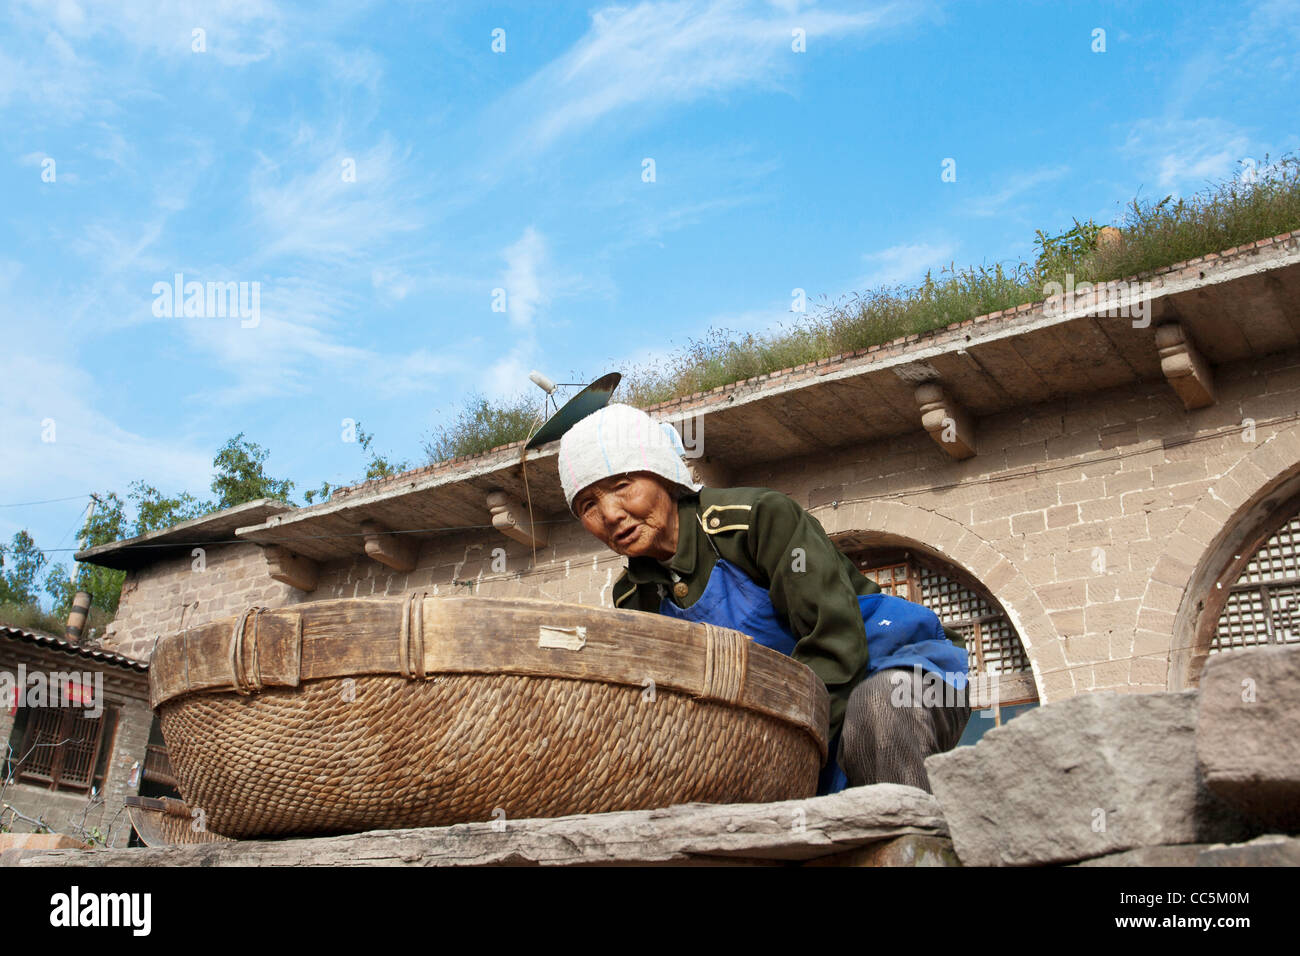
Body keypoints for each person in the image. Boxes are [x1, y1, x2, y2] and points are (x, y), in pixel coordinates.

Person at [557, 403, 971, 795]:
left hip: (895, 666)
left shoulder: (754, 520)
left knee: (880, 711)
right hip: (784, 727)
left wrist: (775, 751)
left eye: (622, 486)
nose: (610, 514)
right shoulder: (633, 596)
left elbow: (836, 642)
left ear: (662, 474)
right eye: (588, 505)